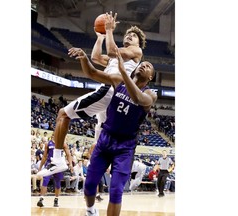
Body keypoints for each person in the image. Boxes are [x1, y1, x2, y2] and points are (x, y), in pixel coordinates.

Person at [40, 11, 147, 177]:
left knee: (63, 115)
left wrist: (109, 30)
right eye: (128, 34)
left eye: (134, 35)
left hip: (110, 89)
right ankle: (129, 167)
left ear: (139, 42)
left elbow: (112, 51)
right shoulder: (117, 56)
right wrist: (100, 37)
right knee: (101, 145)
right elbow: (96, 57)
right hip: (114, 97)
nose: (130, 36)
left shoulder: (135, 51)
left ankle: (58, 160)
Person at [67, 47, 157, 216]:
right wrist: (84, 59)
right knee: (90, 185)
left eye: (148, 66)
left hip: (125, 147)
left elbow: (138, 98)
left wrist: (123, 72)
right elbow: (92, 73)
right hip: (105, 139)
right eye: (142, 64)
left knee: (116, 191)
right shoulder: (118, 80)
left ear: (150, 77)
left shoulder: (150, 94)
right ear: (136, 68)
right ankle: (90, 210)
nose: (144, 65)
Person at [36, 136, 73, 207]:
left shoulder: (63, 144)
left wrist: (71, 164)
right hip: (49, 165)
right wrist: (40, 167)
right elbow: (44, 156)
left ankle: (56, 199)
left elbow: (68, 154)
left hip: (58, 166)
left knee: (58, 183)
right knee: (45, 180)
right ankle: (41, 199)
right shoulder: (48, 143)